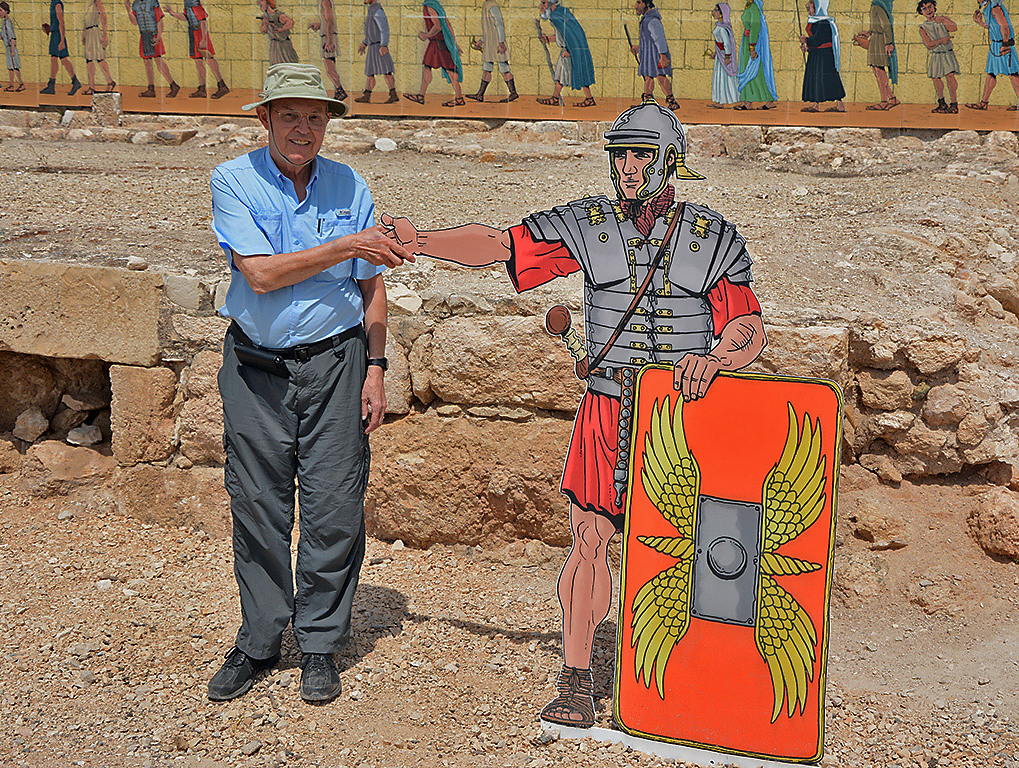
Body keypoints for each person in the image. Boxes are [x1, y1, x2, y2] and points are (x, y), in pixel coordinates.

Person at [381, 101, 767, 729]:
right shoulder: (591, 226)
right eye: (620, 155)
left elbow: (747, 325)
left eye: (641, 155)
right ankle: (577, 676)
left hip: (684, 417)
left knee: (700, 551)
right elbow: (502, 245)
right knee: (589, 540)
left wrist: (718, 358)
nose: (627, 167)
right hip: (607, 408)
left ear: (670, 160)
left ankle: (698, 680)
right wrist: (421, 242)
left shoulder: (713, 237)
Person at [207, 63, 413, 704]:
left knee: (334, 507)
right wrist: (350, 245)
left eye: (315, 117)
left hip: (338, 365)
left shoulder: (350, 184)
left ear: (327, 124)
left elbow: (372, 287)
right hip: (256, 370)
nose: (303, 128)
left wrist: (376, 367)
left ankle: (320, 642)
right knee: (258, 506)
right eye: (290, 115)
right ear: (265, 118)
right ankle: (260, 640)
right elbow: (261, 275)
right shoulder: (232, 180)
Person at [404, 0, 465, 107]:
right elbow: (447, 24)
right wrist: (454, 43)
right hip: (437, 43)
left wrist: (426, 35)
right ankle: (421, 96)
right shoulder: (437, 6)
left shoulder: (430, 7)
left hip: (439, 43)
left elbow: (438, 26)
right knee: (427, 67)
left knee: (450, 70)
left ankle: (459, 98)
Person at [163, 0, 230, 98]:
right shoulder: (187, 2)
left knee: (209, 59)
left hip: (200, 33)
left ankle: (222, 86)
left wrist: (203, 39)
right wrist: (172, 13)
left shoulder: (194, 2)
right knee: (198, 62)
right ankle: (202, 90)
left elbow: (203, 21)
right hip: (193, 32)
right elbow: (186, 17)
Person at [536, 0, 596, 107]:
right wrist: (548, 39)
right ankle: (556, 98)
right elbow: (563, 36)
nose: (541, 6)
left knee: (576, 73)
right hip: (570, 49)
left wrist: (569, 50)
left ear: (550, 3)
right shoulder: (560, 13)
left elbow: (571, 35)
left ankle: (589, 99)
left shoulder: (556, 16)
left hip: (570, 50)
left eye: (544, 3)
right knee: (561, 75)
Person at [967, 0, 1019, 110]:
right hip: (996, 45)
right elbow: (994, 26)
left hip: (1004, 45)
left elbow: (1004, 27)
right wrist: (980, 23)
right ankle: (984, 103)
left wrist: (1005, 44)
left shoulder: (995, 8)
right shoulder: (988, 8)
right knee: (991, 74)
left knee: (1013, 74)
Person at [467, 0, 517, 102]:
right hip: (490, 43)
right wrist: (482, 41)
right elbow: (489, 29)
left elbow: (499, 24)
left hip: (497, 42)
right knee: (487, 68)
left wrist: (501, 42)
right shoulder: (486, 5)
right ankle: (480, 94)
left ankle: (513, 93)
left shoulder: (493, 6)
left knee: (504, 68)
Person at [631, 0, 678, 110]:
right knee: (648, 76)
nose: (636, 6)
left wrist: (663, 55)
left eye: (639, 2)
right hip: (648, 55)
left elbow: (659, 38)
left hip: (657, 55)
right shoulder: (646, 20)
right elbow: (648, 41)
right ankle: (647, 101)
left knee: (661, 77)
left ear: (647, 4)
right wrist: (639, 48)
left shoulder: (653, 21)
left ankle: (672, 101)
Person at [129, 0, 180, 98]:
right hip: (144, 36)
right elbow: (135, 22)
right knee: (147, 63)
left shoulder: (153, 2)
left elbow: (159, 20)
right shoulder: (135, 4)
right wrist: (128, 10)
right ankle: (151, 89)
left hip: (153, 35)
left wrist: (158, 37)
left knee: (158, 61)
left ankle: (173, 85)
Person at [800, 0, 845, 112]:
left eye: (810, 8)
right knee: (817, 79)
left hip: (824, 56)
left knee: (829, 79)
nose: (808, 11)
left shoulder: (823, 22)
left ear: (817, 8)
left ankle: (839, 105)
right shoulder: (816, 21)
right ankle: (816, 105)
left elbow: (818, 40)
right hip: (817, 55)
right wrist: (807, 47)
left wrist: (806, 40)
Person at [853, 0, 898, 110]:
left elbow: (886, 26)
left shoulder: (878, 7)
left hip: (879, 41)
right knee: (877, 70)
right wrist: (869, 33)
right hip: (876, 39)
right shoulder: (876, 6)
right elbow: (879, 25)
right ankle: (892, 98)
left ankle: (884, 101)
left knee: (879, 71)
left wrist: (888, 43)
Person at [917, 0, 958, 113]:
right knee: (936, 78)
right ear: (921, 12)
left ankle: (954, 104)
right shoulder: (923, 27)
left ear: (934, 7)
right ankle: (942, 103)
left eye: (930, 7)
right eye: (924, 9)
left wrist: (944, 20)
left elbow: (954, 28)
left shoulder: (942, 20)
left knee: (950, 76)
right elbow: (929, 45)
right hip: (936, 55)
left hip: (947, 53)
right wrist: (941, 41)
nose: (928, 10)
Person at [735, 0, 777, 109]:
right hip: (747, 42)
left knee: (754, 71)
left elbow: (755, 28)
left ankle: (758, 101)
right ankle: (746, 101)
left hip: (753, 43)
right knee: (748, 70)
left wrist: (752, 47)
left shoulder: (754, 7)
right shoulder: (748, 6)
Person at [355, 0, 397, 103]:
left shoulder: (378, 11)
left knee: (387, 71)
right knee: (370, 73)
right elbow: (371, 31)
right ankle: (367, 95)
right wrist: (365, 43)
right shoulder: (371, 10)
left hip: (379, 47)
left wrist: (384, 45)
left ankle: (393, 94)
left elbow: (384, 29)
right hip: (372, 47)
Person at [40, 0, 82, 95]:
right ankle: (52, 85)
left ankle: (75, 81)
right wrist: (49, 28)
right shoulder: (53, 3)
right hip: (54, 34)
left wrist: (62, 40)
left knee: (63, 60)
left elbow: (61, 22)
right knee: (54, 59)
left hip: (58, 35)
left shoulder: (57, 4)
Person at [307, 0, 347, 100]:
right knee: (332, 69)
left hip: (328, 38)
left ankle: (340, 90)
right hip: (327, 37)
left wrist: (329, 41)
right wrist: (319, 25)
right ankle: (338, 92)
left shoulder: (325, 1)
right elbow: (326, 21)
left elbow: (330, 22)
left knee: (329, 70)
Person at [709, 3, 738, 107]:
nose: (713, 12)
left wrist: (727, 57)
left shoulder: (723, 28)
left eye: (716, 10)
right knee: (719, 77)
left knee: (724, 77)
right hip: (720, 56)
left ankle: (726, 100)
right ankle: (719, 101)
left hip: (724, 56)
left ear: (721, 13)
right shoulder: (719, 26)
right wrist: (716, 52)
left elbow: (726, 44)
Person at [81, 0, 114, 94]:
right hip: (88, 32)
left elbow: (103, 15)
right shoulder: (87, 3)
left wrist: (105, 34)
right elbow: (86, 19)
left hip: (94, 31)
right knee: (89, 60)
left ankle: (110, 81)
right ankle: (92, 87)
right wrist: (84, 32)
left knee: (100, 58)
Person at [258, 0, 298, 66]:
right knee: (275, 65)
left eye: (262, 1)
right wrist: (265, 23)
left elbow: (290, 22)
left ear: (268, 2)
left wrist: (281, 29)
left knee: (288, 64)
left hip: (283, 44)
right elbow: (263, 31)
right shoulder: (265, 16)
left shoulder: (278, 15)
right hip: (275, 45)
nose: (259, 3)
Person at [0, 2, 24, 92]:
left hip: (11, 48)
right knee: (10, 68)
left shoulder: (8, 23)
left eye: (1, 10)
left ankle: (21, 84)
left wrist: (12, 50)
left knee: (15, 67)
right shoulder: (4, 23)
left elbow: (12, 37)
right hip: (8, 48)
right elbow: (1, 36)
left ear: (6, 11)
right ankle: (11, 86)